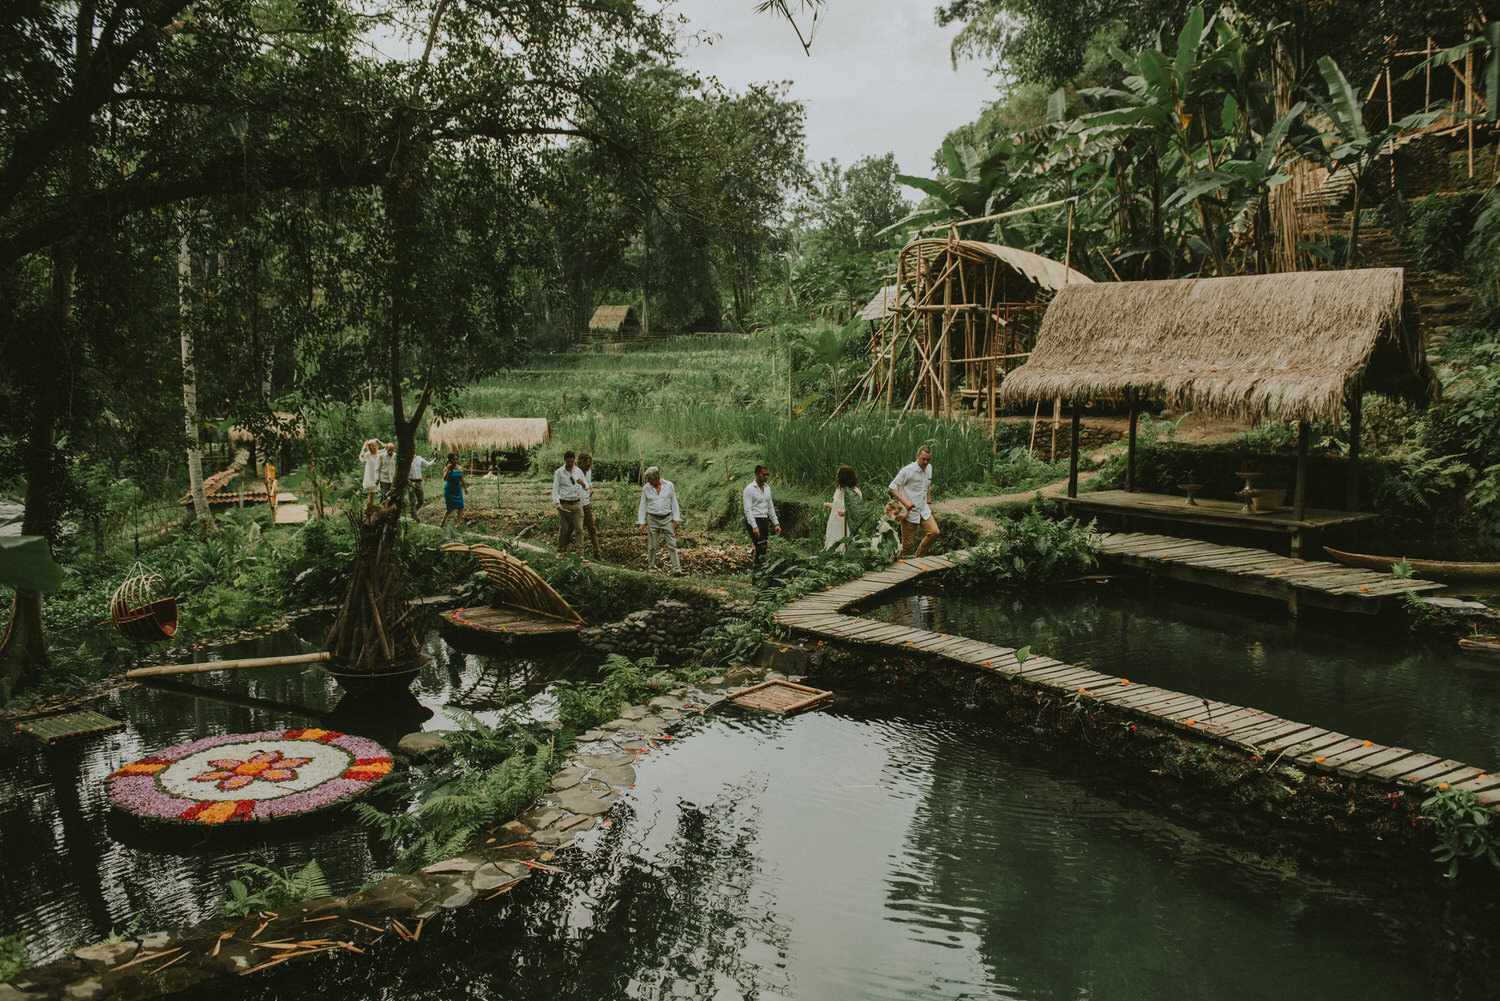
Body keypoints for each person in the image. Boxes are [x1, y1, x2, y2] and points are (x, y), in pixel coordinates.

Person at [889, 444, 939, 557]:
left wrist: (929, 502)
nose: (926, 462)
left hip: (923, 509)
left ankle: (918, 558)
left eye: (928, 459)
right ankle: (896, 564)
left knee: (934, 532)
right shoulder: (907, 471)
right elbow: (892, 487)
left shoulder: (929, 468)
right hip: (909, 512)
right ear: (917, 456)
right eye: (923, 459)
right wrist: (905, 503)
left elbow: (926, 486)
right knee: (907, 545)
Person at [636, 465, 683, 576]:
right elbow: (642, 506)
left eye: (649, 478)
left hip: (667, 518)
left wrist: (676, 518)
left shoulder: (669, 485)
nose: (648, 481)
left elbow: (674, 502)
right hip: (652, 519)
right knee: (652, 546)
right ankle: (652, 569)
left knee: (672, 544)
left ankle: (677, 569)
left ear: (656, 477)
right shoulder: (646, 488)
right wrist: (641, 522)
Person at [742, 464, 780, 564]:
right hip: (754, 520)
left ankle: (760, 574)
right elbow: (748, 510)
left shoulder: (767, 489)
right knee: (760, 547)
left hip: (764, 520)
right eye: (764, 475)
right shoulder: (749, 489)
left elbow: (770, 507)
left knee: (763, 547)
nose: (766, 477)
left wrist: (776, 523)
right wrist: (754, 526)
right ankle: (757, 576)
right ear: (757, 474)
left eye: (767, 474)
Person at [552, 450, 587, 555]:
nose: (570, 464)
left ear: (574, 460)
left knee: (579, 529)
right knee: (564, 529)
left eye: (572, 462)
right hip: (565, 503)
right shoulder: (559, 472)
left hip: (577, 503)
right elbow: (555, 488)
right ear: (564, 461)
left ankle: (580, 553)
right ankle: (561, 550)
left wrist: (583, 484)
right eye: (568, 462)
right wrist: (557, 503)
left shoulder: (578, 471)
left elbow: (586, 486)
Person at [824, 465, 864, 550]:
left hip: (845, 524)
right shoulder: (839, 489)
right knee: (832, 541)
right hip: (834, 521)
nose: (836, 477)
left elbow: (856, 511)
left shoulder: (856, 492)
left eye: (838, 475)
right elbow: (838, 505)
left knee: (842, 543)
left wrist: (846, 513)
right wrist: (829, 505)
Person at [578, 452, 602, 559]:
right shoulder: (575, 472)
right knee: (573, 528)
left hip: (586, 503)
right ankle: (563, 549)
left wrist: (591, 489)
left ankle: (597, 553)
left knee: (592, 528)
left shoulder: (589, 471)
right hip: (577, 504)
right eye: (586, 463)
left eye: (589, 463)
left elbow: (589, 482)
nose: (588, 465)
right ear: (581, 462)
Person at [440, 453, 466, 538]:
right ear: (450, 460)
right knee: (450, 508)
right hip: (449, 490)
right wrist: (448, 469)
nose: (456, 460)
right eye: (454, 459)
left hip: (457, 490)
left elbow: (461, 479)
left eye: (456, 458)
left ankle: (457, 524)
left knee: (460, 506)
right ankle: (443, 520)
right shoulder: (447, 468)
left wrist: (465, 488)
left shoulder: (460, 468)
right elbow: (445, 478)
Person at [407, 451, 435, 522]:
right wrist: (407, 480)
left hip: (418, 481)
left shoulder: (419, 458)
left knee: (421, 500)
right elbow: (403, 470)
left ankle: (412, 511)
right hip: (410, 482)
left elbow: (428, 465)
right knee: (412, 500)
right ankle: (415, 518)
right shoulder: (407, 459)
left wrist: (435, 459)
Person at [358, 439, 382, 506]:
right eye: (372, 446)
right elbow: (361, 456)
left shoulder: (380, 453)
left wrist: (379, 441)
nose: (374, 447)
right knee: (372, 493)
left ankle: (381, 506)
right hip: (371, 475)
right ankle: (371, 507)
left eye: (375, 445)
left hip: (379, 474)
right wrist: (364, 446)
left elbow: (388, 448)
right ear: (370, 447)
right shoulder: (368, 455)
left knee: (382, 491)